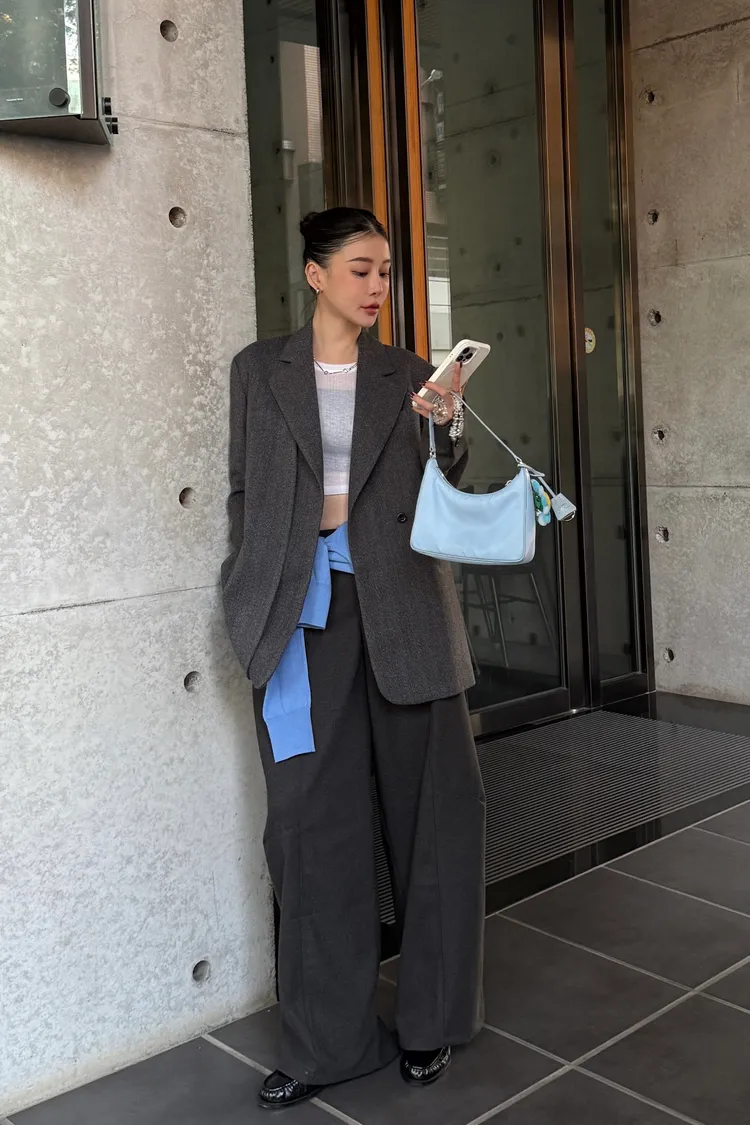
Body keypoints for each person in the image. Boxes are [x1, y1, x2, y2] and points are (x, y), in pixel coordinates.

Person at [221, 207, 485, 1110]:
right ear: (316, 274)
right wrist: (248, 580)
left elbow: (444, 481)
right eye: (361, 269)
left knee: (436, 818)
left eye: (386, 272)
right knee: (309, 830)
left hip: (405, 607)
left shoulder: (408, 373)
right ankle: (325, 1044)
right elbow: (246, 488)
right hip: (300, 616)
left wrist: (446, 423)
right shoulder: (260, 369)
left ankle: (431, 1022)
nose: (378, 286)